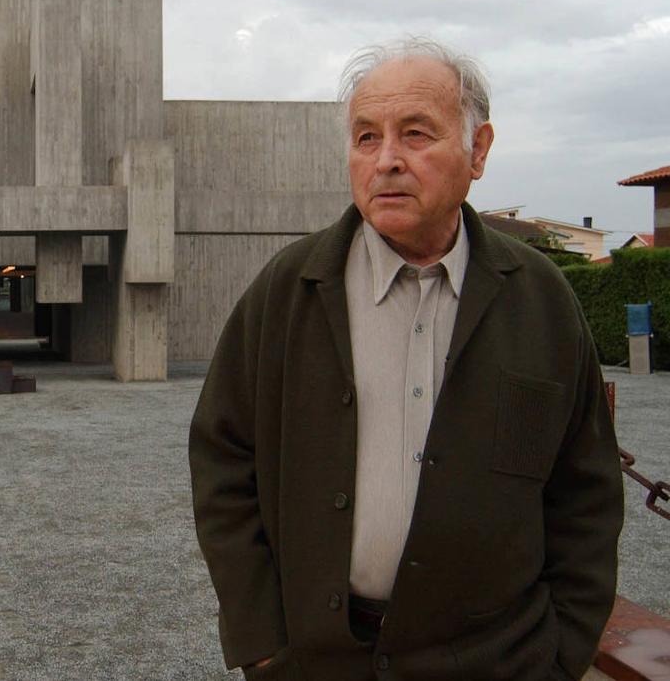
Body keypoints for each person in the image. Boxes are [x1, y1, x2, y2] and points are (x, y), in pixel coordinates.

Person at [189, 37, 623, 681]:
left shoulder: (541, 300)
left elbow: (585, 489)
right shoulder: (287, 291)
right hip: (318, 661)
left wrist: (560, 654)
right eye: (367, 138)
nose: (386, 160)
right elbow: (224, 462)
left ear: (478, 151)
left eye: (415, 134)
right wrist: (262, 643)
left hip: (499, 662)